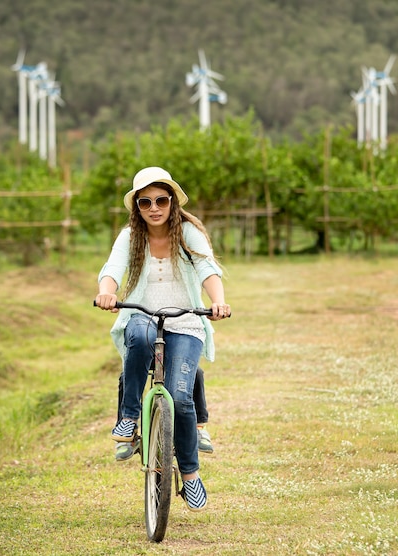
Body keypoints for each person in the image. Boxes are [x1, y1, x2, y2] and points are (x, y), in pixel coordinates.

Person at [95, 166, 231, 512]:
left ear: (172, 201)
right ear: (136, 207)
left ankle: (190, 475)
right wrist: (106, 293)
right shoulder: (130, 236)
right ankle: (128, 417)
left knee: (180, 397)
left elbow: (207, 269)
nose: (154, 207)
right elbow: (112, 268)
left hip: (186, 321)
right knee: (137, 337)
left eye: (161, 200)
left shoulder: (189, 232)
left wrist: (217, 301)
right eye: (145, 202)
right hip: (141, 313)